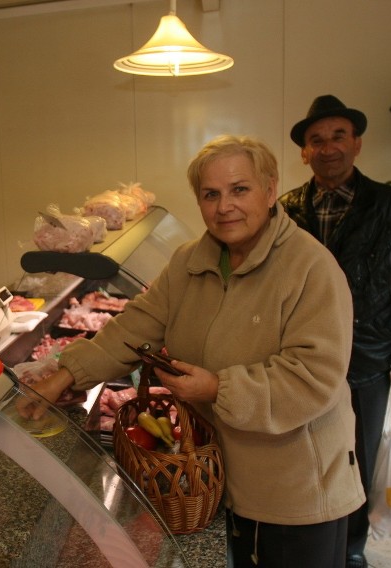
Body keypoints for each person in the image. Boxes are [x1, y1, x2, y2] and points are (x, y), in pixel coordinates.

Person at [19, 134, 365, 567]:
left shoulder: (311, 268)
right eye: (211, 194)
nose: (225, 207)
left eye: (240, 189)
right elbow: (135, 326)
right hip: (220, 478)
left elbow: (312, 377)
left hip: (295, 488)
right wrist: (63, 376)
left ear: (271, 189)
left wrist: (217, 388)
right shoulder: (188, 262)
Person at [279, 95, 391, 568]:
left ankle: (349, 549)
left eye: (338, 136)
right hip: (300, 359)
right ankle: (309, 537)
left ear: (357, 144)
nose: (328, 148)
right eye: (316, 140)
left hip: (365, 359)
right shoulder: (286, 209)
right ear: (304, 153)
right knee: (305, 453)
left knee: (357, 459)